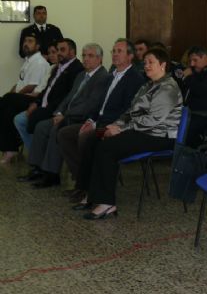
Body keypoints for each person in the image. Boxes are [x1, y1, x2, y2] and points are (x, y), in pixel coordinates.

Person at [80, 47, 182, 219]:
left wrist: (121, 129)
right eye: (145, 63)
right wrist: (114, 125)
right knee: (93, 139)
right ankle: (90, 193)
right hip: (142, 131)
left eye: (151, 62)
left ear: (163, 65)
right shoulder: (148, 85)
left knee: (107, 148)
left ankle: (106, 203)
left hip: (160, 136)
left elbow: (153, 120)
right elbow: (130, 112)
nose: (147, 66)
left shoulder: (168, 88)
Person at [58, 39, 145, 203]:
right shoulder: (111, 76)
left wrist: (101, 125)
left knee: (86, 138)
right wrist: (91, 120)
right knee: (65, 134)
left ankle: (88, 188)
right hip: (99, 121)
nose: (115, 55)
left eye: (119, 51)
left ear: (130, 56)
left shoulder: (135, 79)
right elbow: (99, 103)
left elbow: (128, 110)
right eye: (113, 51)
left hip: (114, 125)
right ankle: (82, 181)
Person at [22, 44, 110, 188]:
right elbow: (69, 97)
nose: (85, 59)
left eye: (90, 56)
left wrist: (65, 116)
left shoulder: (102, 77)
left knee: (56, 128)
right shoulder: (81, 75)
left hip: (82, 117)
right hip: (67, 115)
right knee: (41, 126)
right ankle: (37, 168)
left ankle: (52, 174)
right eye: (84, 55)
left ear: (100, 59)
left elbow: (90, 105)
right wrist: (59, 112)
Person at [0, 32, 51, 163]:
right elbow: (19, 83)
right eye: (25, 41)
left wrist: (12, 96)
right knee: (7, 110)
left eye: (30, 41)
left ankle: (10, 149)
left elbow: (31, 86)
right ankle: (10, 148)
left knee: (7, 101)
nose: (26, 44)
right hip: (21, 97)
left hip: (33, 98)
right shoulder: (28, 61)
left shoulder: (39, 62)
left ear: (38, 46)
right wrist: (10, 94)